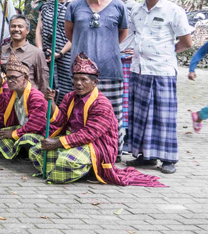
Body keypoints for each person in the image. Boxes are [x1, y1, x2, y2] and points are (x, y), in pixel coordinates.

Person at [23, 53, 166, 187]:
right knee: (36, 151)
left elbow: (88, 135)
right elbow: (60, 121)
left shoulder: (101, 104)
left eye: (84, 79)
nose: (78, 83)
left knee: (66, 161)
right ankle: (74, 169)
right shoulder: (69, 97)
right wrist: (52, 103)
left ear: (95, 82)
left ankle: (88, 169)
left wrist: (57, 143)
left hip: (96, 145)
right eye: (75, 79)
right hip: (73, 140)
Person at [125, 0, 194, 174]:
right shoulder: (136, 10)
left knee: (163, 116)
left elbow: (186, 42)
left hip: (162, 70)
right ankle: (146, 157)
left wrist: (165, 52)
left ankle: (168, 159)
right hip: (138, 69)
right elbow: (131, 36)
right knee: (140, 115)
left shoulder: (174, 10)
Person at [65, 0, 129, 155]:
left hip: (110, 70)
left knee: (112, 114)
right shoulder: (74, 6)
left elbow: (122, 33)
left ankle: (112, 152)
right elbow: (70, 34)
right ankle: (83, 152)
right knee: (80, 113)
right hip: (81, 73)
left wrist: (105, 47)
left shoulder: (118, 5)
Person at [35, 0, 74, 99]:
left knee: (66, 89)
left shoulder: (74, 6)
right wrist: (41, 51)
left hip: (65, 54)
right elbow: (38, 31)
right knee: (47, 87)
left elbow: (76, 34)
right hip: (46, 55)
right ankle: (50, 116)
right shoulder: (46, 6)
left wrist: (60, 53)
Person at [112, 0, 139, 139]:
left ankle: (126, 138)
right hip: (105, 59)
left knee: (126, 101)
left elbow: (144, 32)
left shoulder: (137, 8)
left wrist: (137, 49)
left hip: (126, 60)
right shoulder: (103, 5)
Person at [0, 15, 49, 92]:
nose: (16, 29)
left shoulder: (36, 53)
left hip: (28, 97)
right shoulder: (2, 50)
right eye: (13, 26)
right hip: (5, 97)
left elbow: (43, 81)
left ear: (27, 30)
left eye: (20, 26)